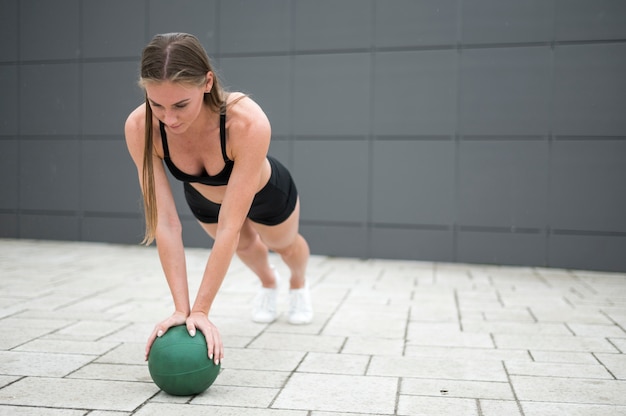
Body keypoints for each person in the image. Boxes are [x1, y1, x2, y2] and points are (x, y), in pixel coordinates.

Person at [124, 33, 313, 365]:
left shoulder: (246, 122)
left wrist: (202, 310)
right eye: (157, 104)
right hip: (204, 197)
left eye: (181, 104)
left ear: (207, 82)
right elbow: (166, 223)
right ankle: (269, 283)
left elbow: (230, 225)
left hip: (265, 192)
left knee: (284, 246)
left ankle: (298, 285)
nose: (169, 119)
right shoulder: (140, 128)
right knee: (245, 247)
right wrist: (182, 311)